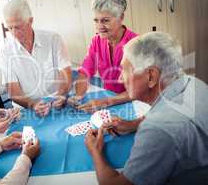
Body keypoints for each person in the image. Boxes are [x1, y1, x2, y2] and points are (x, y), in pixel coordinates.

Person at [84, 32, 208, 185]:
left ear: (151, 76)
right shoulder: (193, 82)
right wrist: (134, 124)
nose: (120, 78)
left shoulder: (157, 128)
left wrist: (96, 152)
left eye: (125, 70)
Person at [68, 0, 138, 113]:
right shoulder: (96, 41)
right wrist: (78, 96)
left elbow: (137, 90)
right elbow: (85, 72)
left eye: (105, 20)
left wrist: (105, 102)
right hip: (109, 99)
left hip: (134, 103)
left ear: (121, 17)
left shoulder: (136, 44)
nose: (99, 26)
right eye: (96, 20)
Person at [0, 0, 72, 117]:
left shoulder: (54, 39)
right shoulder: (5, 52)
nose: (14, 33)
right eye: (10, 28)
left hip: (57, 102)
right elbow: (14, 92)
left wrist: (61, 94)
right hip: (26, 108)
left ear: (30, 21)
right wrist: (33, 105)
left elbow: (66, 74)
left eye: (18, 27)